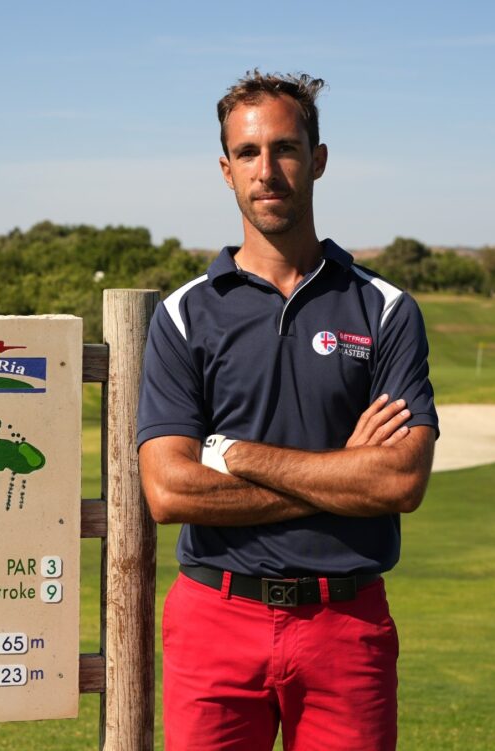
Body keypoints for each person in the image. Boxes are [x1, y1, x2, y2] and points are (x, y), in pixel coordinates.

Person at [137, 71, 439, 751]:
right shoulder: (185, 315)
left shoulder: (385, 310)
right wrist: (341, 478)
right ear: (225, 169)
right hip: (215, 616)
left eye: (285, 149)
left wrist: (235, 454)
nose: (266, 171)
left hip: (346, 623)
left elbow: (398, 483)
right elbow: (167, 488)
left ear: (319, 159)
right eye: (247, 154)